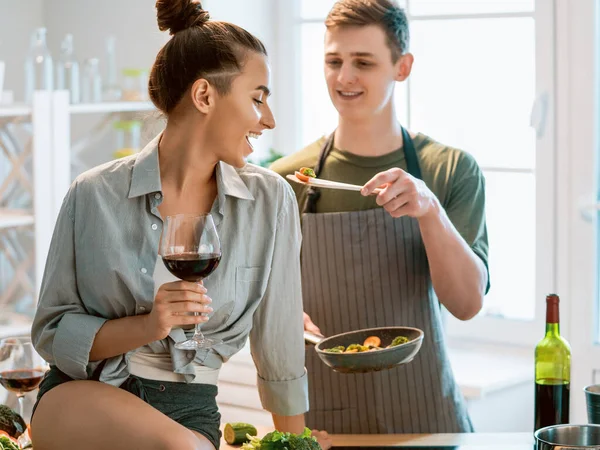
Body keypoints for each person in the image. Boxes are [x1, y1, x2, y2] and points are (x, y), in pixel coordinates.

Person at [30, 1, 330, 449]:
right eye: (257, 98)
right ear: (205, 95)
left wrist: (293, 443)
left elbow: (279, 345)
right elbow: (51, 332)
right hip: (86, 397)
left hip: (190, 411)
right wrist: (149, 326)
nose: (268, 120)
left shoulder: (271, 201)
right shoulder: (93, 194)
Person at [271, 0, 489, 434]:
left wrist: (429, 210)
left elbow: (466, 304)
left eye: (363, 62)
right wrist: (279, 317)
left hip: (429, 417)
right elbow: (262, 299)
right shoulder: (289, 180)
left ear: (402, 67)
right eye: (334, 61)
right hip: (326, 422)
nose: (344, 77)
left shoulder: (450, 170)